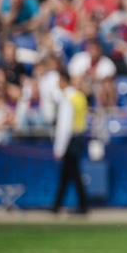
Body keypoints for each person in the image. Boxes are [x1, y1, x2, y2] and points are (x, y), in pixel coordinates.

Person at [51, 70, 90, 215]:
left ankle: (81, 205)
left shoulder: (68, 99)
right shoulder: (80, 97)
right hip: (79, 137)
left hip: (71, 139)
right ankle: (58, 204)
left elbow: (64, 126)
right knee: (67, 174)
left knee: (73, 174)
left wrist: (59, 148)